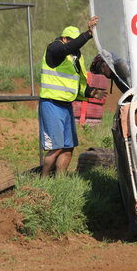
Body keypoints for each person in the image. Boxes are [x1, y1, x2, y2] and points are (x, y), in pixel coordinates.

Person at [38, 16, 107, 177]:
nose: (74, 45)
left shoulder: (75, 57)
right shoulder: (55, 49)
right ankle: (44, 179)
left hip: (66, 105)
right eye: (71, 41)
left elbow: (74, 83)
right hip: (51, 104)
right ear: (64, 38)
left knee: (68, 147)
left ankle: (60, 181)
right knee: (56, 148)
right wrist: (87, 34)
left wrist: (91, 92)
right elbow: (65, 49)